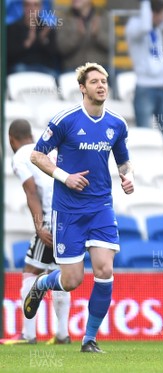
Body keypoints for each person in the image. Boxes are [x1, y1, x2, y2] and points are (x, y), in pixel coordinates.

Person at [23, 62, 134, 353]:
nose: (101, 86)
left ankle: (89, 339)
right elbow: (37, 155)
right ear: (82, 88)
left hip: (100, 207)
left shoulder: (116, 124)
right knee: (72, 281)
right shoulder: (65, 120)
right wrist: (65, 177)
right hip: (68, 211)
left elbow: (123, 159)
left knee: (105, 269)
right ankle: (43, 284)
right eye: (95, 81)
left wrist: (128, 177)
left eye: (104, 81)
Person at [0, 119, 71, 346]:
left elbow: (31, 193)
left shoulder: (20, 155)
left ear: (11, 140)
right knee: (61, 273)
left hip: (51, 218)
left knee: (31, 270)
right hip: (68, 218)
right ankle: (62, 335)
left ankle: (28, 335)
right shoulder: (46, 148)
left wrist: (40, 226)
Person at [126, 0, 163, 156]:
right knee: (145, 134)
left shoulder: (156, 28)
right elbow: (145, 26)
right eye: (160, 16)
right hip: (145, 88)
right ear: (152, 13)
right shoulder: (135, 26)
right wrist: (146, 2)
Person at [7, 0, 61, 78]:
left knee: (54, 76)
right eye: (28, 5)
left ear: (41, 8)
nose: (31, 8)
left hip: (43, 69)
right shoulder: (12, 28)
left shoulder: (46, 28)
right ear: (23, 7)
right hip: (21, 68)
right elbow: (9, 55)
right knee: (19, 70)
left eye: (35, 5)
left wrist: (43, 40)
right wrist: (28, 42)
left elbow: (54, 55)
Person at [55, 0, 109, 72]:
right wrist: (77, 36)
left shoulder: (103, 16)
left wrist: (98, 35)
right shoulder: (64, 18)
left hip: (99, 67)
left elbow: (112, 45)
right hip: (73, 69)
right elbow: (61, 49)